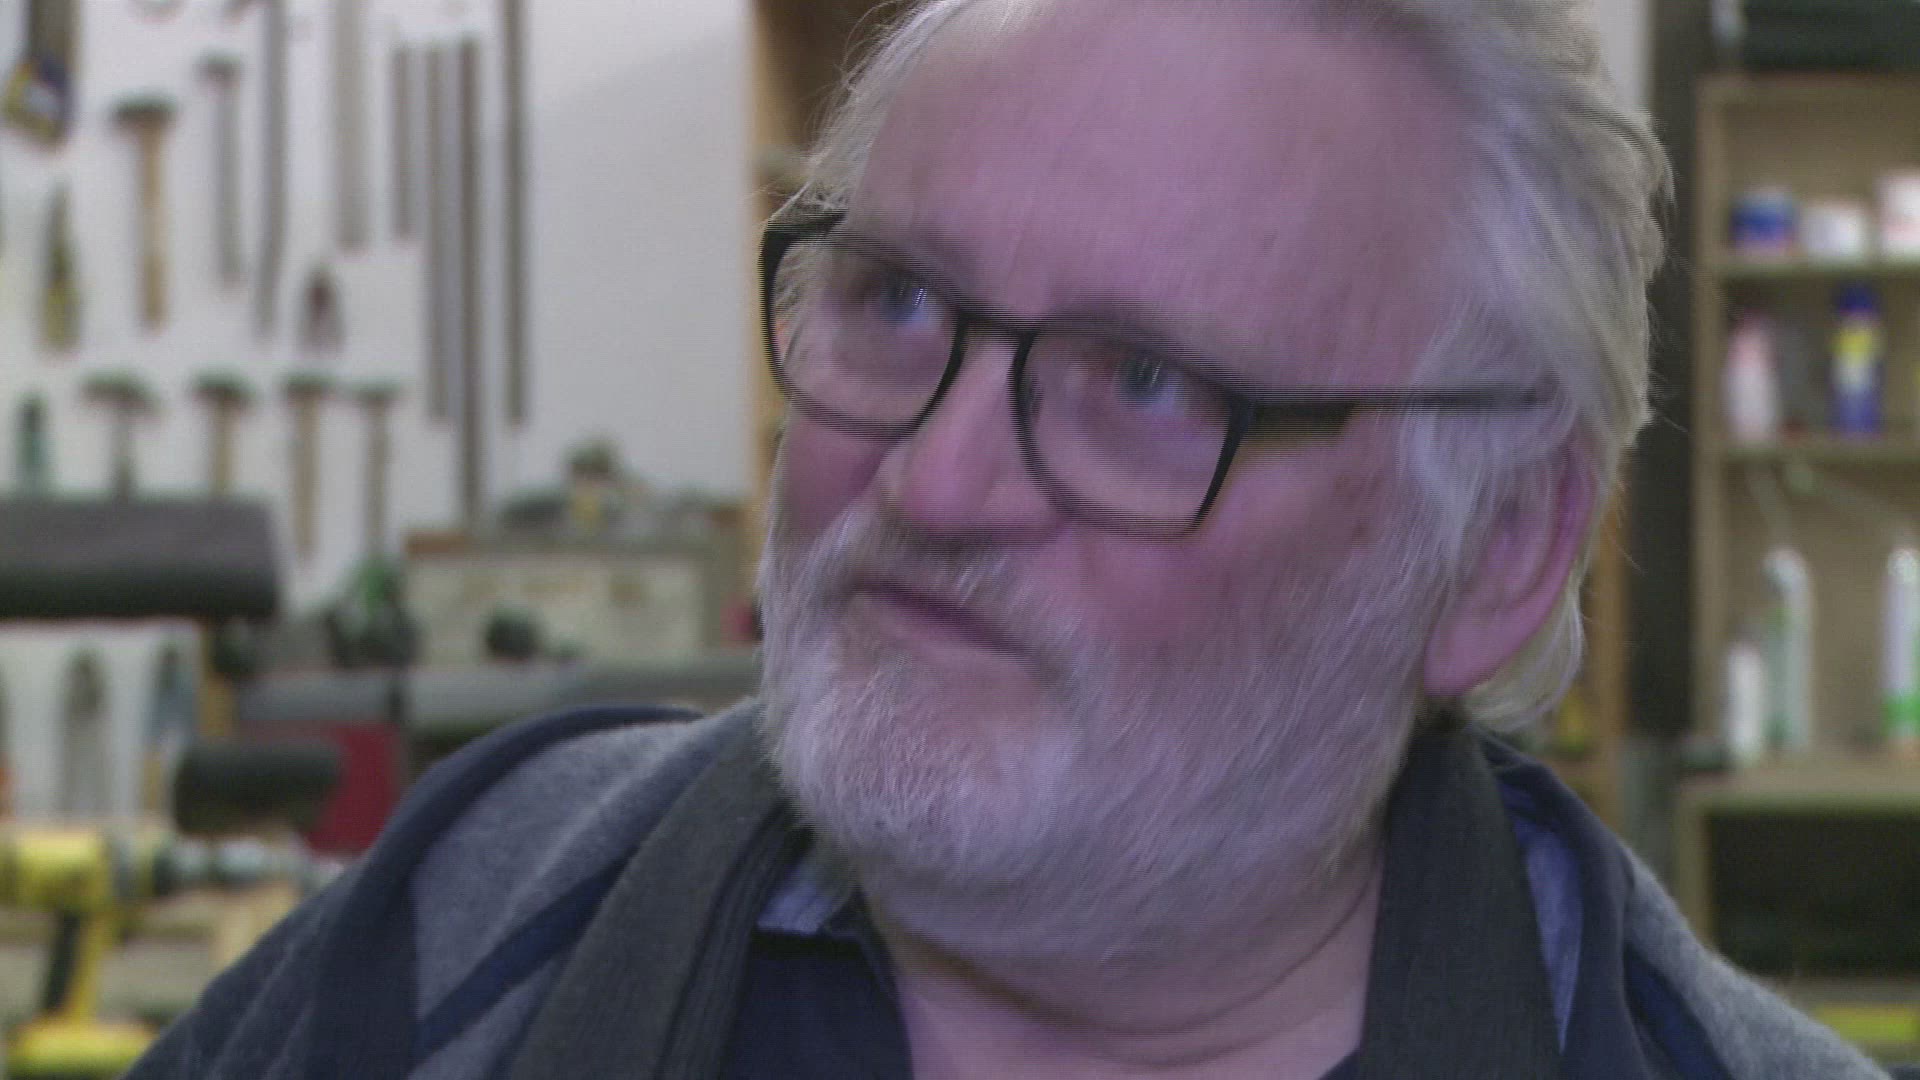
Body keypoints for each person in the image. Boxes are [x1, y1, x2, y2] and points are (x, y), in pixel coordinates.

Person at [129, 2, 1889, 1078]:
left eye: (1144, 380)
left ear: (1499, 545)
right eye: (897, 299)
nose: (935, 480)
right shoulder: (472, 925)